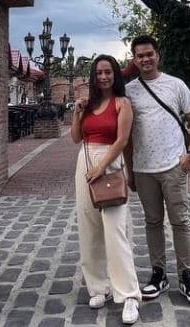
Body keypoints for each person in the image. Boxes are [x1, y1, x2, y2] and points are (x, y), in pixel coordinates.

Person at [124, 35, 190, 304]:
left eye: (149, 54)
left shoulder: (175, 85)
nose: (145, 59)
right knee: (152, 222)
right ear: (134, 60)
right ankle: (158, 273)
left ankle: (186, 274)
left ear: (157, 55)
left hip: (173, 165)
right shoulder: (130, 91)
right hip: (143, 168)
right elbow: (126, 135)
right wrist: (130, 171)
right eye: (140, 56)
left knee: (180, 221)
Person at [70, 55, 141, 325]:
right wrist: (77, 113)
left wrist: (101, 167)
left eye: (108, 72)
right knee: (89, 227)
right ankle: (99, 286)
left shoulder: (123, 103)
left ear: (115, 74)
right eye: (99, 72)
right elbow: (76, 137)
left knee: (115, 230)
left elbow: (122, 140)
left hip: (109, 164)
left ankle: (129, 294)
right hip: (85, 163)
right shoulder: (89, 104)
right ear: (93, 76)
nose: (103, 77)